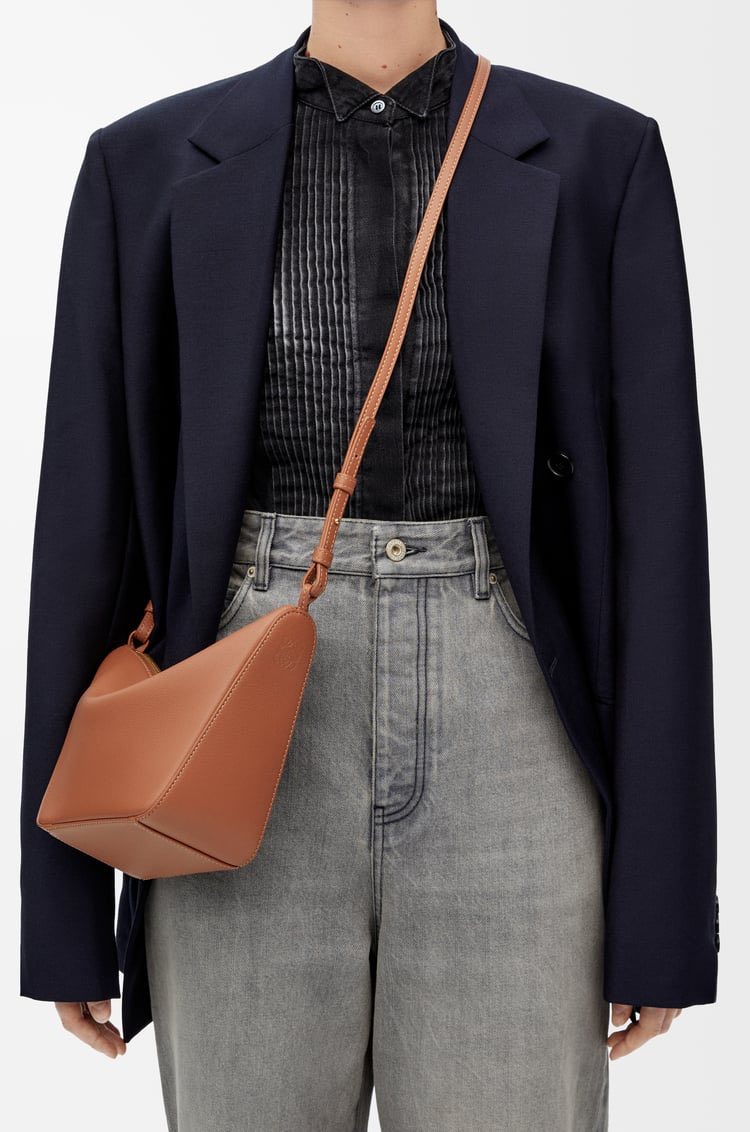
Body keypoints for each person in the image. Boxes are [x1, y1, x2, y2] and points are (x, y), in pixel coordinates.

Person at [19, 2, 719, 1129]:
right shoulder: (143, 165)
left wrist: (664, 919)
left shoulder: (604, 157)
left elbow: (660, 552)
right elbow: (82, 541)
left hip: (516, 733)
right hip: (232, 732)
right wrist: (61, 909)